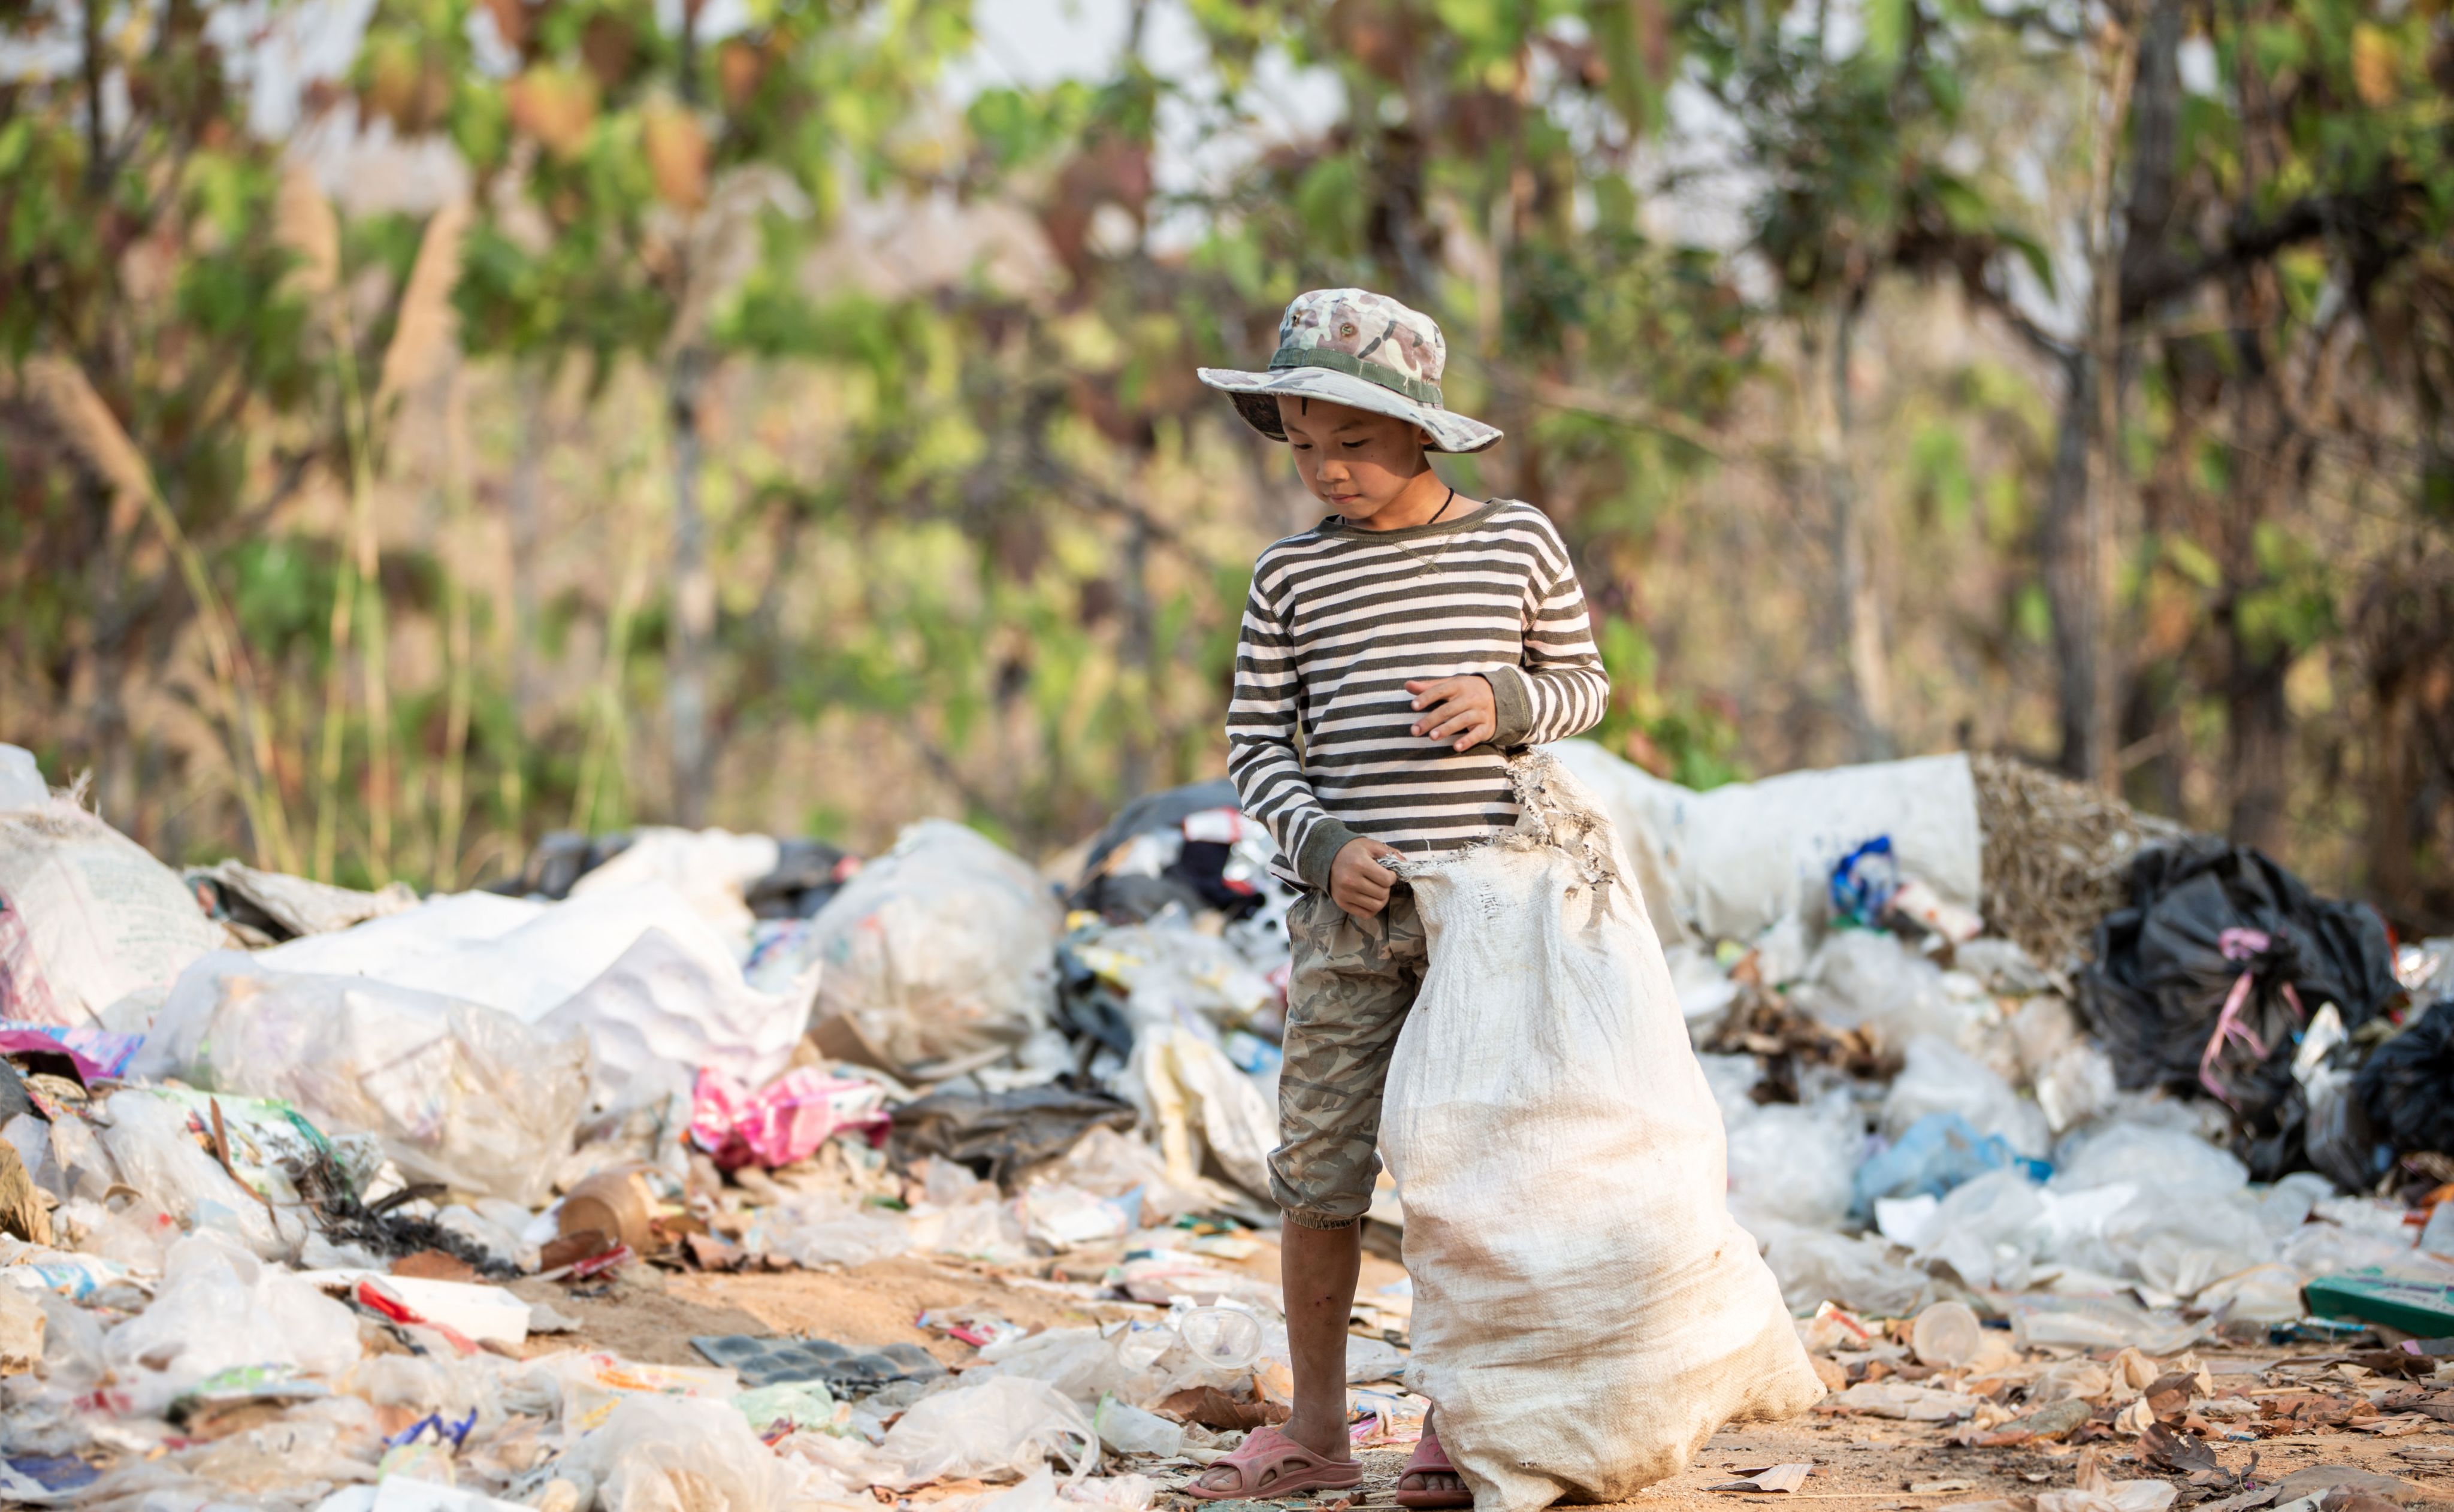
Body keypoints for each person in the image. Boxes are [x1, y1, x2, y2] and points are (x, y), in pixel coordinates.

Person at [1186, 289, 1611, 1508]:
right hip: (1350, 923)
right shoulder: (1287, 580)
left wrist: (1505, 700)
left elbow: (1582, 682)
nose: (1325, 468)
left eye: (1352, 443)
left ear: (1419, 434)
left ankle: (1457, 1426)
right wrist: (1320, 845)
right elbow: (1256, 745)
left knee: (1473, 1170)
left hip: (1492, 915)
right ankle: (1318, 1428)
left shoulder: (1515, 542)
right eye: (1303, 443)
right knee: (1320, 1169)